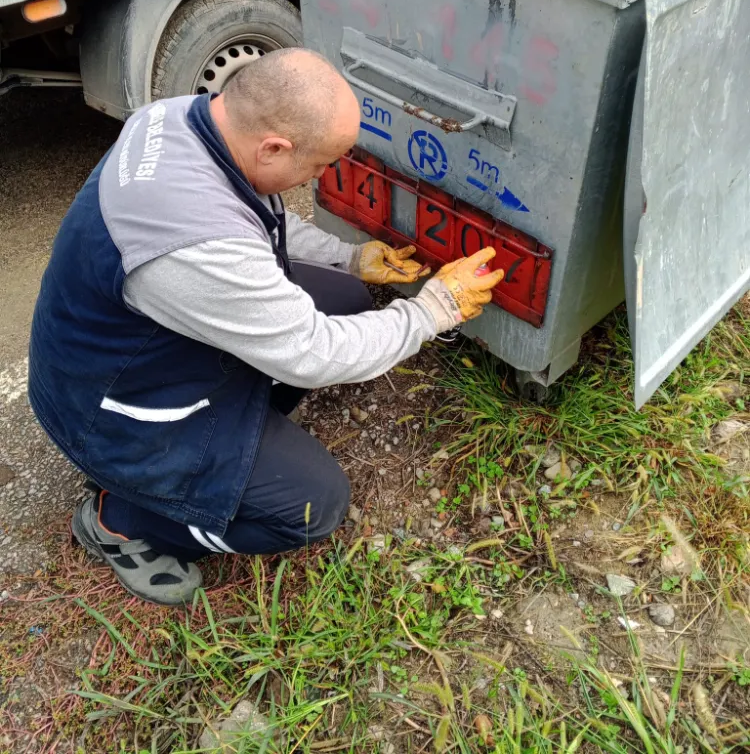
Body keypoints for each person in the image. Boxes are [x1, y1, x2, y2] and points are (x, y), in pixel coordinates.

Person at [28, 48, 503, 605]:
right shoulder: (192, 245)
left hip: (128, 349)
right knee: (311, 507)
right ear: (274, 146)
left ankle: (232, 432)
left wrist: (348, 259)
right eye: (323, 165)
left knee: (346, 299)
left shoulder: (187, 119)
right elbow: (313, 352)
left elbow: (252, 217)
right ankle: (123, 516)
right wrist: (434, 310)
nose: (323, 176)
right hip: (111, 411)